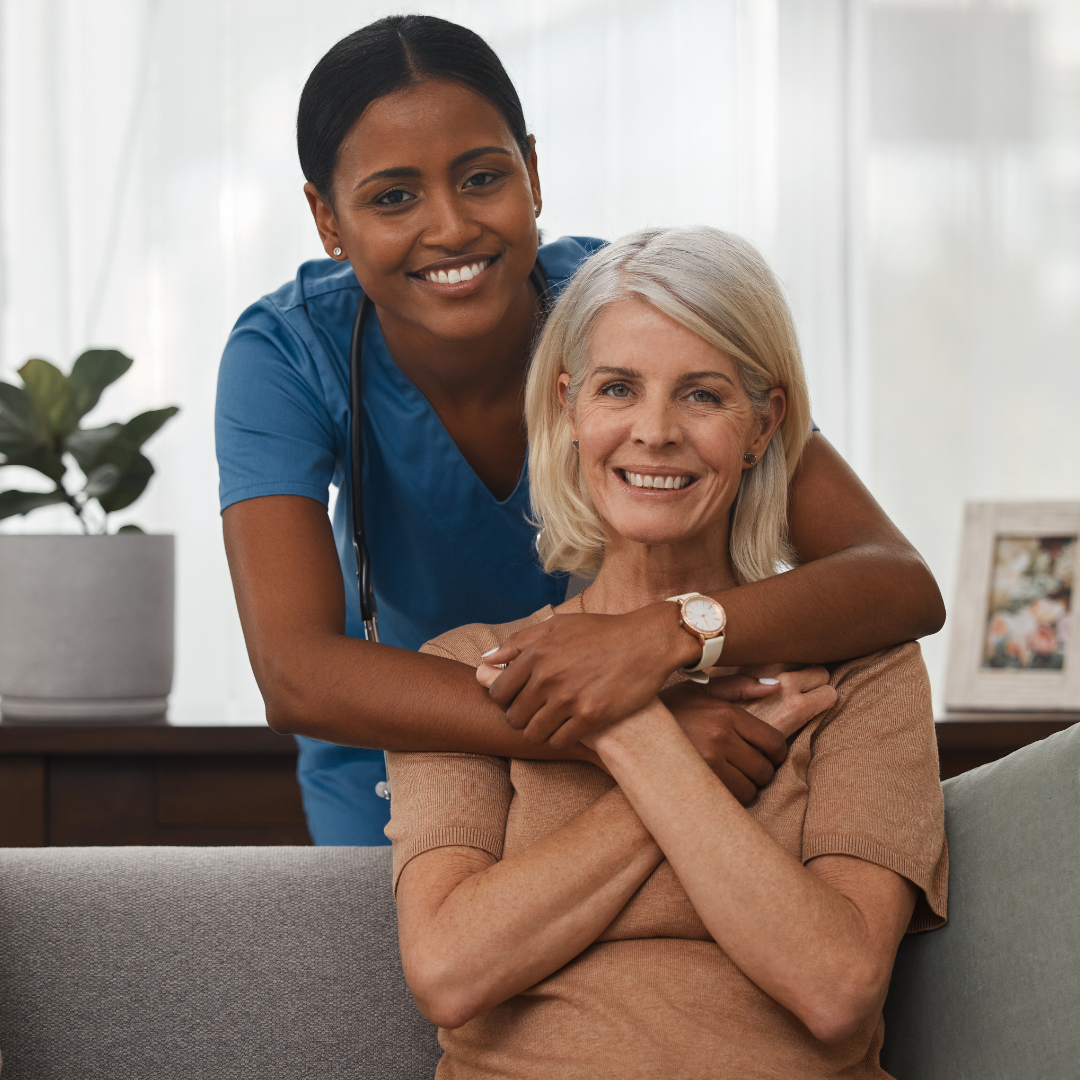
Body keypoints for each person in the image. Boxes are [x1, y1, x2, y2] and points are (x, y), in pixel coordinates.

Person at [216, 15, 945, 845]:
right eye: (393, 197)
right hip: (420, 743)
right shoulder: (285, 353)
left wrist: (661, 639)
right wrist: (626, 728)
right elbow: (294, 673)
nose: (451, 227)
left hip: (674, 700)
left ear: (532, 172)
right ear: (327, 220)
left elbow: (896, 579)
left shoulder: (628, 308)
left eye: (483, 177)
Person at [386, 226, 948, 1079]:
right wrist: (668, 742)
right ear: (570, 408)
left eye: (702, 396)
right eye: (619, 389)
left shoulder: (862, 669)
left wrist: (628, 722)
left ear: (764, 427)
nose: (654, 432)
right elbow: (451, 974)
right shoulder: (471, 669)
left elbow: (836, 987)